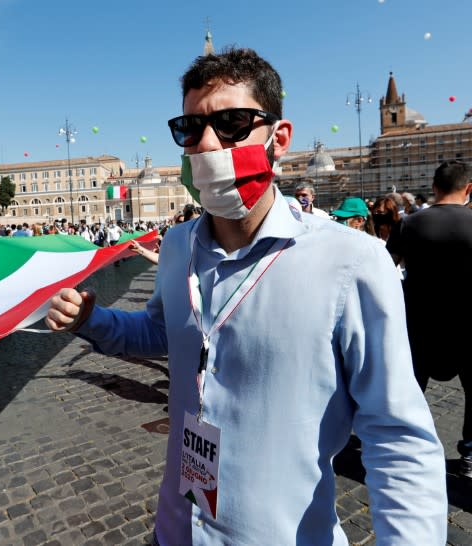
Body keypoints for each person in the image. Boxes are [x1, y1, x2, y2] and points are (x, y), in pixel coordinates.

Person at [44, 48, 446, 544]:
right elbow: (161, 331)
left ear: (279, 139)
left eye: (232, 122)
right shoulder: (175, 245)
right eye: (191, 128)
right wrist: (92, 319)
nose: (208, 142)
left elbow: (398, 438)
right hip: (176, 530)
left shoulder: (353, 262)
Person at [386, 160, 472, 479]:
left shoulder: (409, 224)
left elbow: (385, 268)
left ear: (434, 188)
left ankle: (399, 445)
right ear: (469, 189)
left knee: (409, 389)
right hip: (468, 325)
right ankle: (470, 456)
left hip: (419, 323)